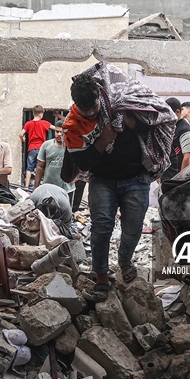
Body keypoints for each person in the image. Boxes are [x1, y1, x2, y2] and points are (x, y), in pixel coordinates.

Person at [66, 75, 153, 301]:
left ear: (100, 96)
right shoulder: (73, 125)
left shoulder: (119, 102)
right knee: (101, 226)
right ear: (76, 105)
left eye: (94, 107)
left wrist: (130, 122)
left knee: (133, 227)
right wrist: (103, 140)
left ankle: (124, 260)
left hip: (136, 177)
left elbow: (151, 125)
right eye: (84, 110)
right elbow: (83, 163)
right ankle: (102, 277)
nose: (91, 113)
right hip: (102, 179)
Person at [19, 105, 54, 188]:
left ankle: (26, 186)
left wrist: (23, 139)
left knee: (29, 167)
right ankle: (39, 186)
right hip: (41, 148)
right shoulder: (44, 123)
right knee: (41, 168)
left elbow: (21, 134)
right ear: (40, 115)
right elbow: (56, 128)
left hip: (31, 148)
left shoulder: (28, 124)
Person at [162, 97, 190, 182]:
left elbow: (187, 156)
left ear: (177, 112)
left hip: (175, 178)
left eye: (168, 113)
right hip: (166, 176)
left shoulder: (184, 129)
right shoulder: (172, 126)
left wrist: (180, 180)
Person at [34, 128, 74, 194]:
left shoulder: (72, 146)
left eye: (61, 132)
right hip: (48, 188)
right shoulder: (46, 145)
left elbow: (78, 165)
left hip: (67, 189)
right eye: (57, 131)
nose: (59, 134)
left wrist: (74, 179)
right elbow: (40, 167)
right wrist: (36, 188)